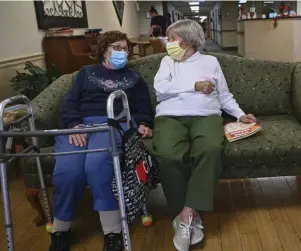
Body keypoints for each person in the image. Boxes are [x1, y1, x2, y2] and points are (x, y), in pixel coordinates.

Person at [152, 20, 256, 251]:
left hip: (205, 115)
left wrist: (239, 115)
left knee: (210, 149)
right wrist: (193, 86)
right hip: (170, 116)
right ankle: (185, 216)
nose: (168, 43)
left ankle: (187, 214)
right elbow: (160, 89)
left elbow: (224, 96)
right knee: (168, 155)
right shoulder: (167, 61)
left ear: (188, 41)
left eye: (172, 39)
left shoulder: (211, 62)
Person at [49, 30, 154, 251]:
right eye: (117, 48)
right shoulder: (85, 74)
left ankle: (113, 232)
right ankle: (60, 230)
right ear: (104, 50)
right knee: (69, 170)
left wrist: (143, 123)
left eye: (125, 49)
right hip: (80, 125)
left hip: (113, 123)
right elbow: (69, 103)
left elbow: (143, 107)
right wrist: (73, 124)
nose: (122, 52)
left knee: (98, 165)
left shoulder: (134, 78)